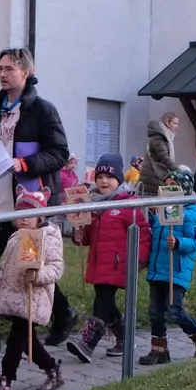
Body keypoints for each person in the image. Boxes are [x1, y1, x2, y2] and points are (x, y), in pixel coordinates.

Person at [0, 47, 76, 351]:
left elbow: (59, 154)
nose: (2, 74)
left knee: (28, 261)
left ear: (26, 72)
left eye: (9, 69)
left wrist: (24, 164)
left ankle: (62, 312)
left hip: (27, 203)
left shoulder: (42, 110)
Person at [0, 188, 66, 390]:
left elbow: (56, 268)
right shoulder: (14, 239)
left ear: (40, 216)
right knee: (28, 344)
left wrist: (38, 275)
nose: (23, 219)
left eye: (29, 214)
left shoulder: (47, 239)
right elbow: (5, 269)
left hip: (34, 300)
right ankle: (52, 370)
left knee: (15, 340)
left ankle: (5, 381)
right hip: (16, 299)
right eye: (19, 214)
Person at [66, 154, 147, 362]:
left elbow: (144, 233)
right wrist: (79, 235)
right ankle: (125, 338)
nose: (104, 181)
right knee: (107, 303)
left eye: (109, 177)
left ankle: (88, 343)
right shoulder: (91, 204)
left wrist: (139, 260)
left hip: (118, 264)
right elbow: (87, 237)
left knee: (101, 301)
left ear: (119, 180)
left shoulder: (128, 204)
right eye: (100, 176)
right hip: (97, 263)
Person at [140, 169, 196, 365]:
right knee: (155, 312)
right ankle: (159, 350)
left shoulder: (191, 212)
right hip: (158, 270)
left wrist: (179, 243)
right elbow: (155, 238)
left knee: (174, 311)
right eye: (165, 185)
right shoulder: (161, 210)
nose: (168, 189)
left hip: (176, 269)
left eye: (173, 185)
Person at [142, 112, 180, 196]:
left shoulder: (165, 136)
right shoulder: (158, 136)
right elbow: (164, 157)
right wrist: (178, 171)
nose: (176, 127)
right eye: (174, 123)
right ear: (167, 122)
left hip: (156, 175)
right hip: (153, 175)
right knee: (154, 204)